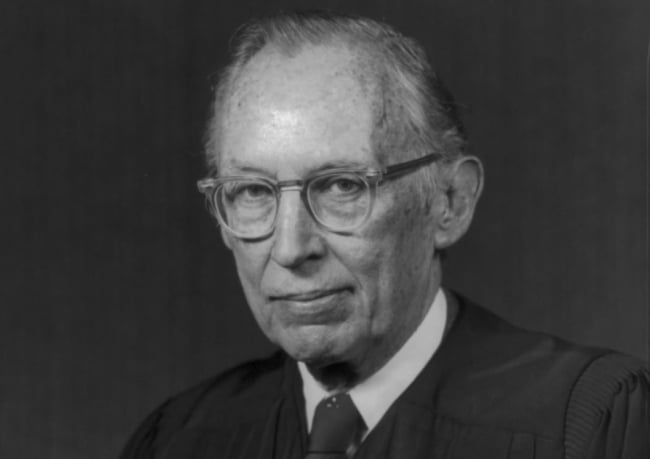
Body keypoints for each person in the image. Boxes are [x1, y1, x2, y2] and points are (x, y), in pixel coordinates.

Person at [120, 11, 648, 459]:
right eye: (252, 192)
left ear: (449, 203)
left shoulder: (586, 424)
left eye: (342, 186)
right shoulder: (179, 439)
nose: (289, 248)